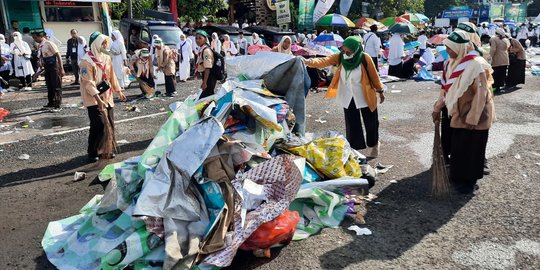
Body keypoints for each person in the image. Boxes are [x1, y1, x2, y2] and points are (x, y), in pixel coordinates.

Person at [432, 31, 495, 194]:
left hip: (476, 116)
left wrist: (472, 119)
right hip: (459, 114)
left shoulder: (476, 65)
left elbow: (481, 95)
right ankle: (459, 177)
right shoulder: (452, 62)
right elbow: (446, 89)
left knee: (473, 149)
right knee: (460, 148)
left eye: (450, 48)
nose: (448, 51)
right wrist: (438, 107)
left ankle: (470, 182)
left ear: (460, 48)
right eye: (446, 48)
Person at [305, 36, 385, 158]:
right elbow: (324, 61)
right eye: (344, 50)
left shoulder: (364, 58)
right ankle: (355, 150)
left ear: (355, 48)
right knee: (352, 124)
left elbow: (374, 76)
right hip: (348, 95)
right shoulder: (340, 56)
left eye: (349, 50)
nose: (345, 52)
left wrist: (380, 91)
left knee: (371, 122)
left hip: (365, 94)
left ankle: (374, 144)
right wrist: (308, 62)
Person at [79, 32, 126, 162]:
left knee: (109, 123)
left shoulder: (106, 57)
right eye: (103, 43)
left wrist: (119, 91)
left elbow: (112, 76)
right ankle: (93, 151)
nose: (105, 45)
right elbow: (88, 83)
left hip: (107, 96)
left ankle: (106, 150)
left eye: (106, 43)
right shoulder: (86, 62)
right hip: (93, 98)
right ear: (96, 44)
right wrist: (98, 100)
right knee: (98, 124)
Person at [34, 30, 64, 110]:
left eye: (36, 37)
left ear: (41, 36)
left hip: (54, 66)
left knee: (56, 85)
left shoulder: (49, 43)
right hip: (46, 67)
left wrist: (61, 69)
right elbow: (41, 58)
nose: (35, 39)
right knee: (49, 85)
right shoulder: (40, 45)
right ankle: (51, 102)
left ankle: (58, 104)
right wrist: (38, 71)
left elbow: (58, 55)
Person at [195, 30, 216, 98]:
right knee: (208, 97)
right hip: (206, 76)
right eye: (196, 38)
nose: (197, 40)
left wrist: (204, 83)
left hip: (209, 76)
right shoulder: (201, 49)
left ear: (205, 39)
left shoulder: (206, 51)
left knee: (206, 98)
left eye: (200, 38)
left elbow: (207, 68)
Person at [489, 29, 510, 93]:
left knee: (495, 73)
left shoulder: (493, 39)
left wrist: (490, 57)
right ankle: (499, 87)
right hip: (505, 58)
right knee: (502, 73)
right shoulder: (506, 39)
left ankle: (494, 87)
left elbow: (493, 49)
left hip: (497, 58)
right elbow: (508, 48)